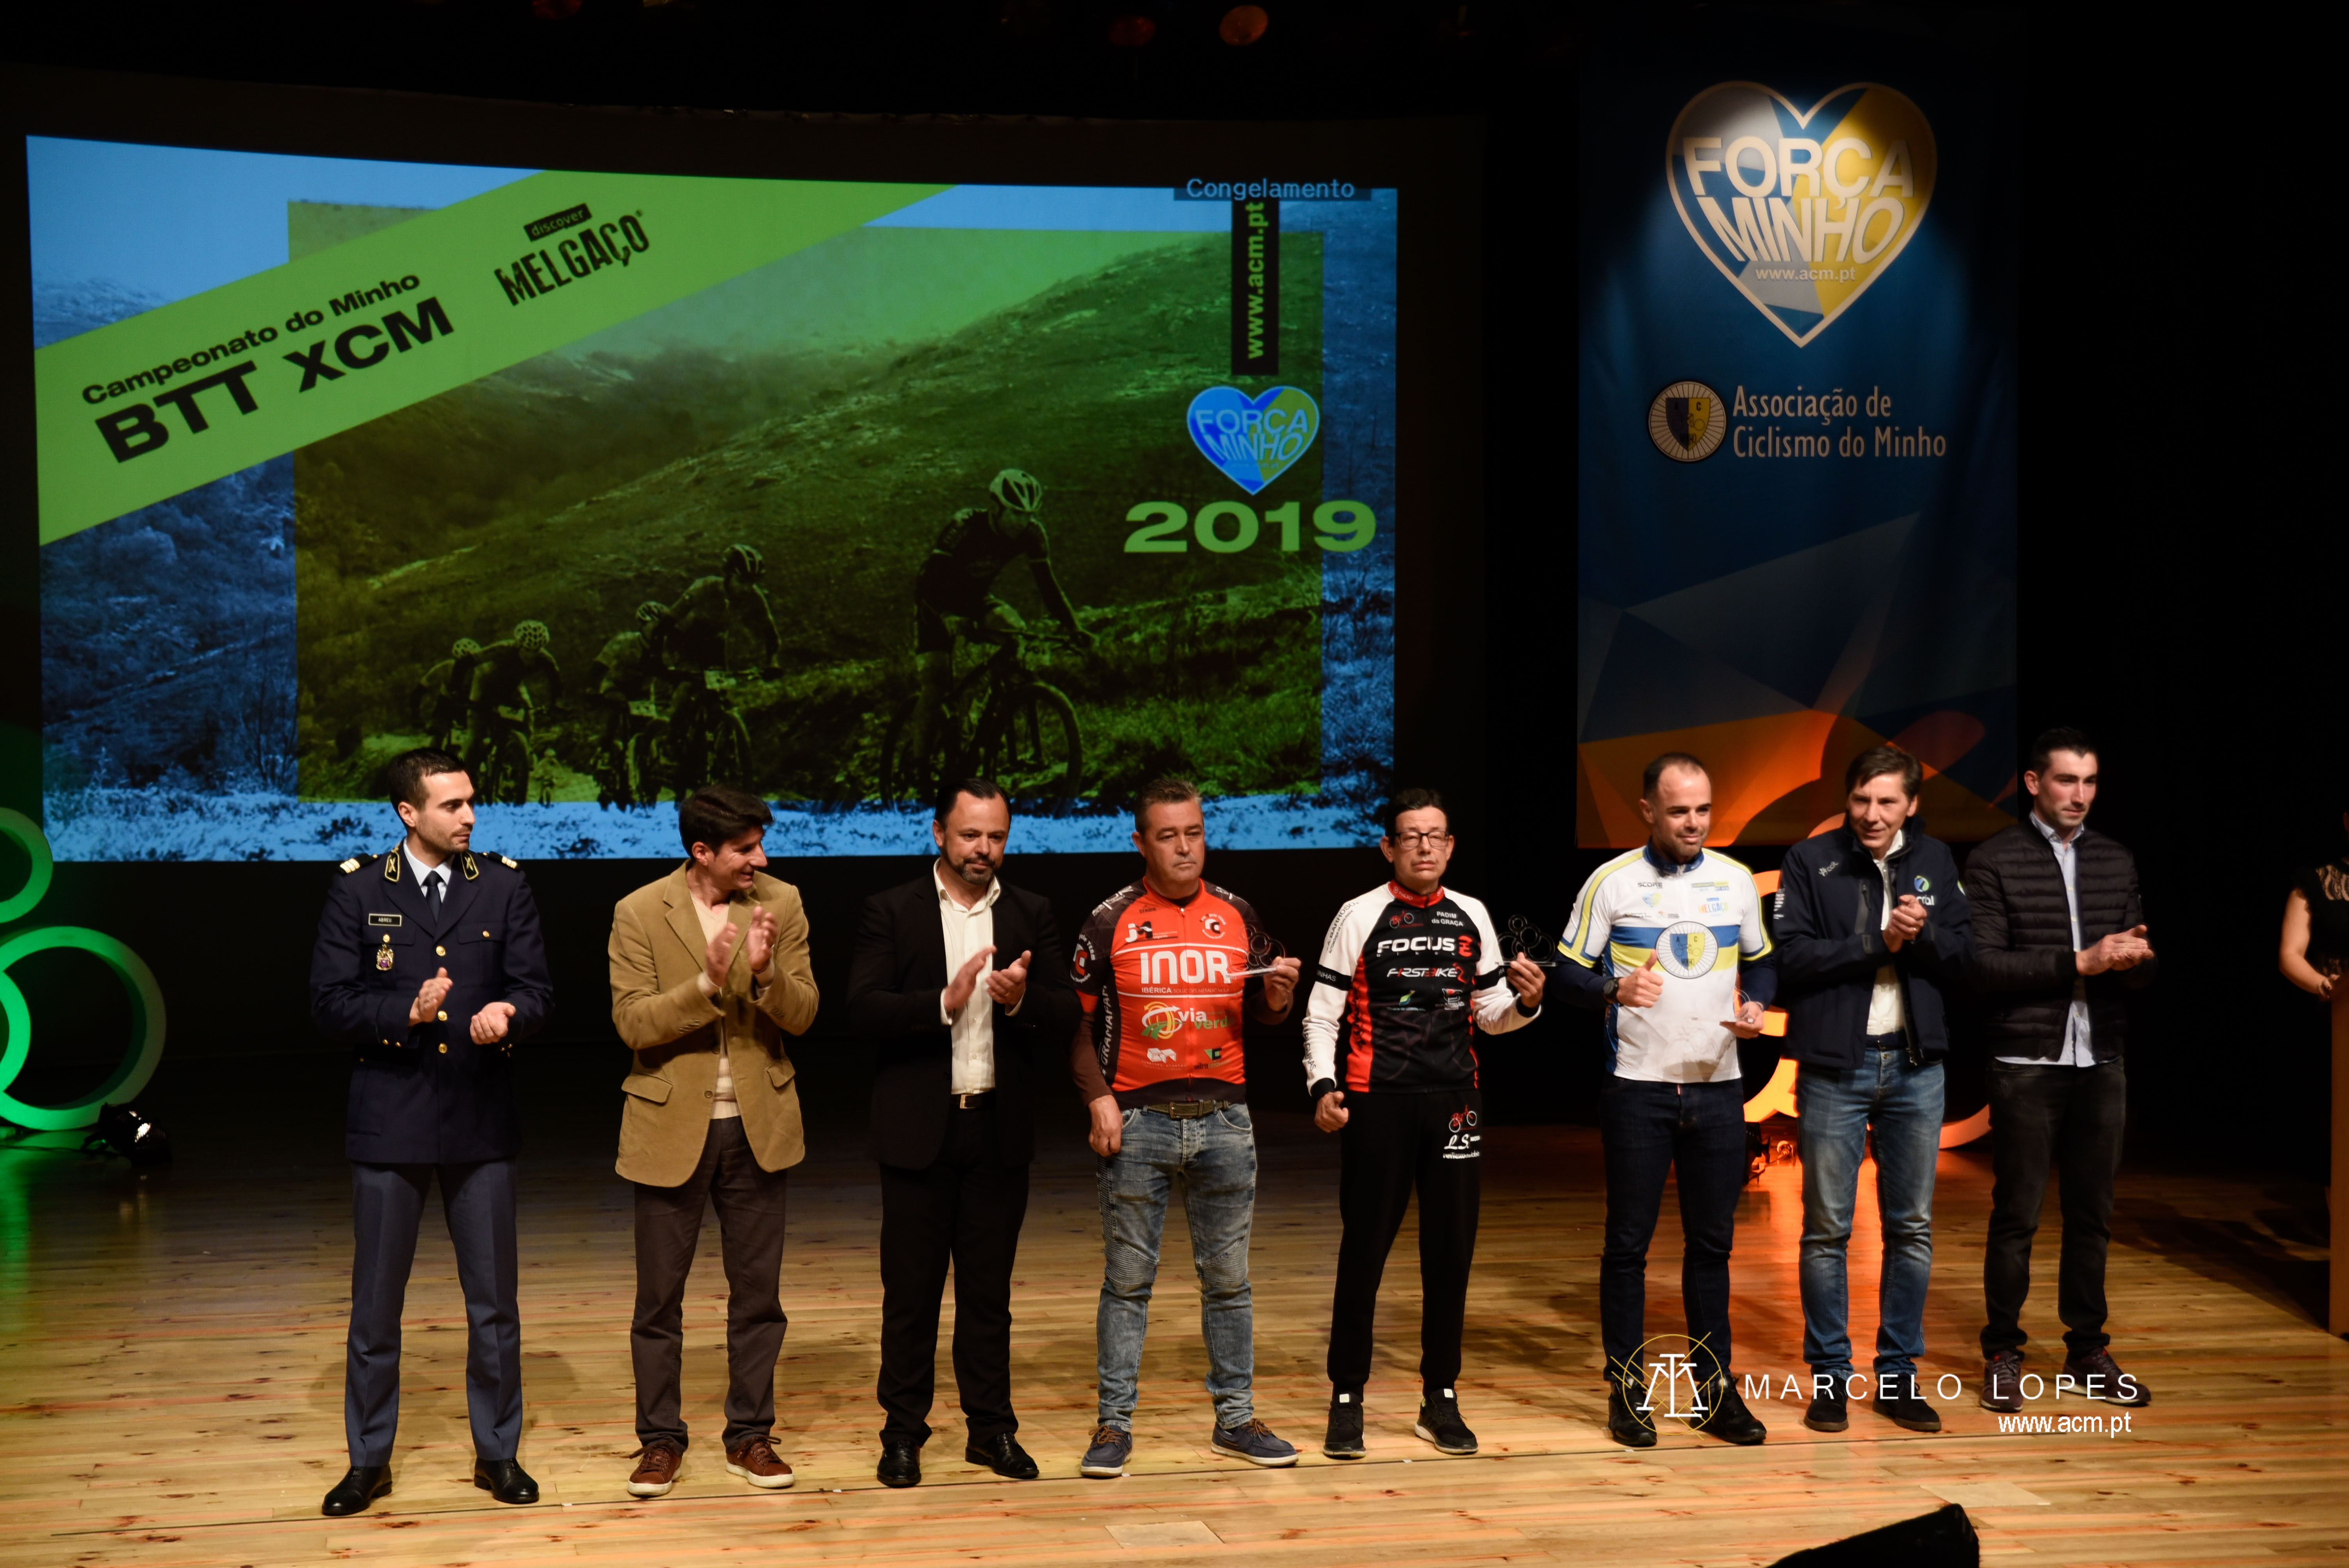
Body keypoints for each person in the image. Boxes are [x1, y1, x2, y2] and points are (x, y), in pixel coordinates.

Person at [308, 747, 552, 1516]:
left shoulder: (504, 884)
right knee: (376, 1308)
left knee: (494, 1305)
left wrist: (510, 1012)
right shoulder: (358, 888)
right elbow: (328, 1003)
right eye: (452, 805)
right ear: (408, 813)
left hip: (480, 1119)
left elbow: (537, 989)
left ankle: (498, 1453)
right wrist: (402, 1013)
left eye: (471, 801)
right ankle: (368, 1460)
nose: (469, 816)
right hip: (392, 1120)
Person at [844, 778, 1080, 1488]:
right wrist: (940, 1003)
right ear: (940, 834)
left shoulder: (1031, 911)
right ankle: (902, 1434)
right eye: (971, 835)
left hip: (997, 1130)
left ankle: (991, 1429)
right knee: (910, 1295)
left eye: (996, 836)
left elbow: (1068, 1011)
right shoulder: (892, 909)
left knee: (988, 1295)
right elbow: (862, 1009)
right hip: (919, 1132)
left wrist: (1021, 1000)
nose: (984, 849)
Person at [1301, 788, 1545, 1460]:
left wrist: (1526, 1005)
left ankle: (1440, 1396)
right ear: (1389, 847)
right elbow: (1321, 1014)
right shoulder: (1359, 914)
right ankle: (1346, 1396)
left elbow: (1491, 1014)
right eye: (1410, 836)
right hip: (1377, 1100)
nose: (1424, 846)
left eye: (1435, 835)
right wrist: (1322, 1084)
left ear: (1451, 845)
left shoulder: (1473, 914)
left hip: (1455, 1102)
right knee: (1364, 1251)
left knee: (1450, 1254)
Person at [1068, 777, 1302, 1477]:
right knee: (1128, 1282)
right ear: (1140, 842)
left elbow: (1265, 1014)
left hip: (1227, 1120)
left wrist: (1279, 999)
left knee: (1229, 1281)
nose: (1183, 848)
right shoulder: (1109, 920)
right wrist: (1097, 1098)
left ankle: (1236, 1419)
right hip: (1138, 1121)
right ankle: (1113, 1425)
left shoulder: (1237, 914)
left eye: (1193, 833)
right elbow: (1074, 1027)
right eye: (1167, 836)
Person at [1552, 752, 1774, 1448]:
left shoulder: (1735, 880)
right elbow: (1565, 973)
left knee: (1712, 1246)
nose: (1694, 823)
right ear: (1648, 810)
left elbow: (1762, 959)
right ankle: (1628, 1391)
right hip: (1638, 1091)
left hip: (1719, 1089)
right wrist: (1611, 988)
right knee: (1627, 1247)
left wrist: (1756, 1001)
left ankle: (1714, 1394)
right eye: (1679, 811)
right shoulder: (1612, 881)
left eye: (1703, 810)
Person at [606, 785, 820, 1497]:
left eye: (761, 845)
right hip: (670, 1127)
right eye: (744, 849)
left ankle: (750, 1434)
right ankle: (659, 1441)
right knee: (658, 1302)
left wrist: (765, 973)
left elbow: (805, 1014)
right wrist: (706, 981)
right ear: (702, 852)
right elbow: (634, 1024)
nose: (761, 860)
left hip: (759, 1126)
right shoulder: (640, 911)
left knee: (758, 1297)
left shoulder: (781, 903)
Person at [1772, 746, 1975, 1435]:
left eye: (1887, 801)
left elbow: (1966, 956)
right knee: (1826, 1230)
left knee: (1910, 1229)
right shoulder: (1810, 859)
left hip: (1916, 1068)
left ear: (1911, 805)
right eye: (1861, 799)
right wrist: (1877, 941)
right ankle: (1830, 1379)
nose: (1872, 813)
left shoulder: (1936, 860)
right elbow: (1791, 957)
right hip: (1837, 1066)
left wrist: (1921, 937)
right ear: (1847, 799)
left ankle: (1897, 1377)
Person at [1969, 728, 2156, 1412]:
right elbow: (1984, 965)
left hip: (2101, 1056)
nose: (2080, 794)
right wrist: (2081, 961)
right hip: (2027, 1061)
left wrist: (2136, 962)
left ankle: (2087, 1351)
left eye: (2090, 781)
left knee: (2092, 1215)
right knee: (2017, 1214)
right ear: (2033, 783)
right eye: (2067, 780)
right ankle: (2002, 1352)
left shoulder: (2115, 858)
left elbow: (2135, 958)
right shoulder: (1995, 859)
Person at [908, 469, 1091, 779]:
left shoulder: (1032, 533)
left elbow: (1048, 586)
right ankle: (918, 767)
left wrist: (1074, 627)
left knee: (1015, 632)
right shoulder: (964, 526)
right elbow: (930, 582)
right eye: (1016, 513)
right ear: (995, 507)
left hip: (976, 600)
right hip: (935, 603)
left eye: (1029, 515)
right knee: (936, 685)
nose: (1023, 522)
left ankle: (986, 715)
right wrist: (947, 617)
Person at [2280, 802, 2349, 1335]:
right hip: (2339, 1026)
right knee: (2339, 1150)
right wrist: (2328, 988)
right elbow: (2291, 954)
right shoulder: (2318, 882)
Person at [462, 620, 565, 782]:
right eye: (527, 650)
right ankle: (465, 773)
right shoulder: (503, 649)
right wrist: (464, 694)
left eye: (536, 651)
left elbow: (556, 682)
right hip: (485, 683)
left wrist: (555, 704)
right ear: (519, 646)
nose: (531, 655)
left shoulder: (545, 658)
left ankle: (522, 754)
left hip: (513, 686)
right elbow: (468, 662)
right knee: (476, 733)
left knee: (528, 713)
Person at [588, 602, 667, 799]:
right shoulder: (624, 642)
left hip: (643, 693)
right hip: (617, 686)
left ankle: (650, 766)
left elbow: (672, 670)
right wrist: (592, 689)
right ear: (642, 626)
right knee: (615, 711)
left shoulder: (666, 647)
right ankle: (605, 754)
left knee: (649, 728)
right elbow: (600, 665)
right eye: (654, 627)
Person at [412, 637, 480, 752]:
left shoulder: (481, 670)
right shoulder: (446, 667)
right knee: (439, 733)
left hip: (469, 705)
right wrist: (416, 713)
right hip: (446, 704)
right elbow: (420, 690)